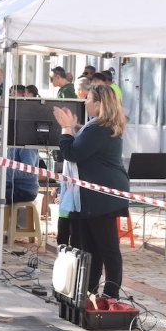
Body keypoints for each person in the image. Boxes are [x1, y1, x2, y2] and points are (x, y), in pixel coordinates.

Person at [53, 84, 129, 299]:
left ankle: (110, 293)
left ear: (98, 104)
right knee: (90, 246)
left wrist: (67, 129)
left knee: (107, 247)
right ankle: (89, 290)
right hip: (92, 195)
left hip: (102, 196)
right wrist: (73, 127)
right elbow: (82, 149)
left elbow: (72, 153)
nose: (84, 102)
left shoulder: (99, 128)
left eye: (88, 99)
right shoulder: (96, 126)